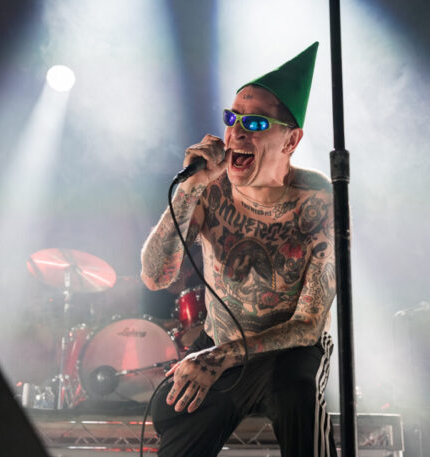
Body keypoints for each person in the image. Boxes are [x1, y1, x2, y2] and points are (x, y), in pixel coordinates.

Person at [140, 42, 338, 457]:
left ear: (291, 140)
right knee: (171, 409)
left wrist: (219, 357)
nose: (237, 133)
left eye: (256, 122)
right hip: (222, 341)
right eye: (232, 118)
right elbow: (156, 277)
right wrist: (189, 189)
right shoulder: (210, 190)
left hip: (287, 351)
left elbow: (307, 325)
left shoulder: (318, 200)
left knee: (297, 398)